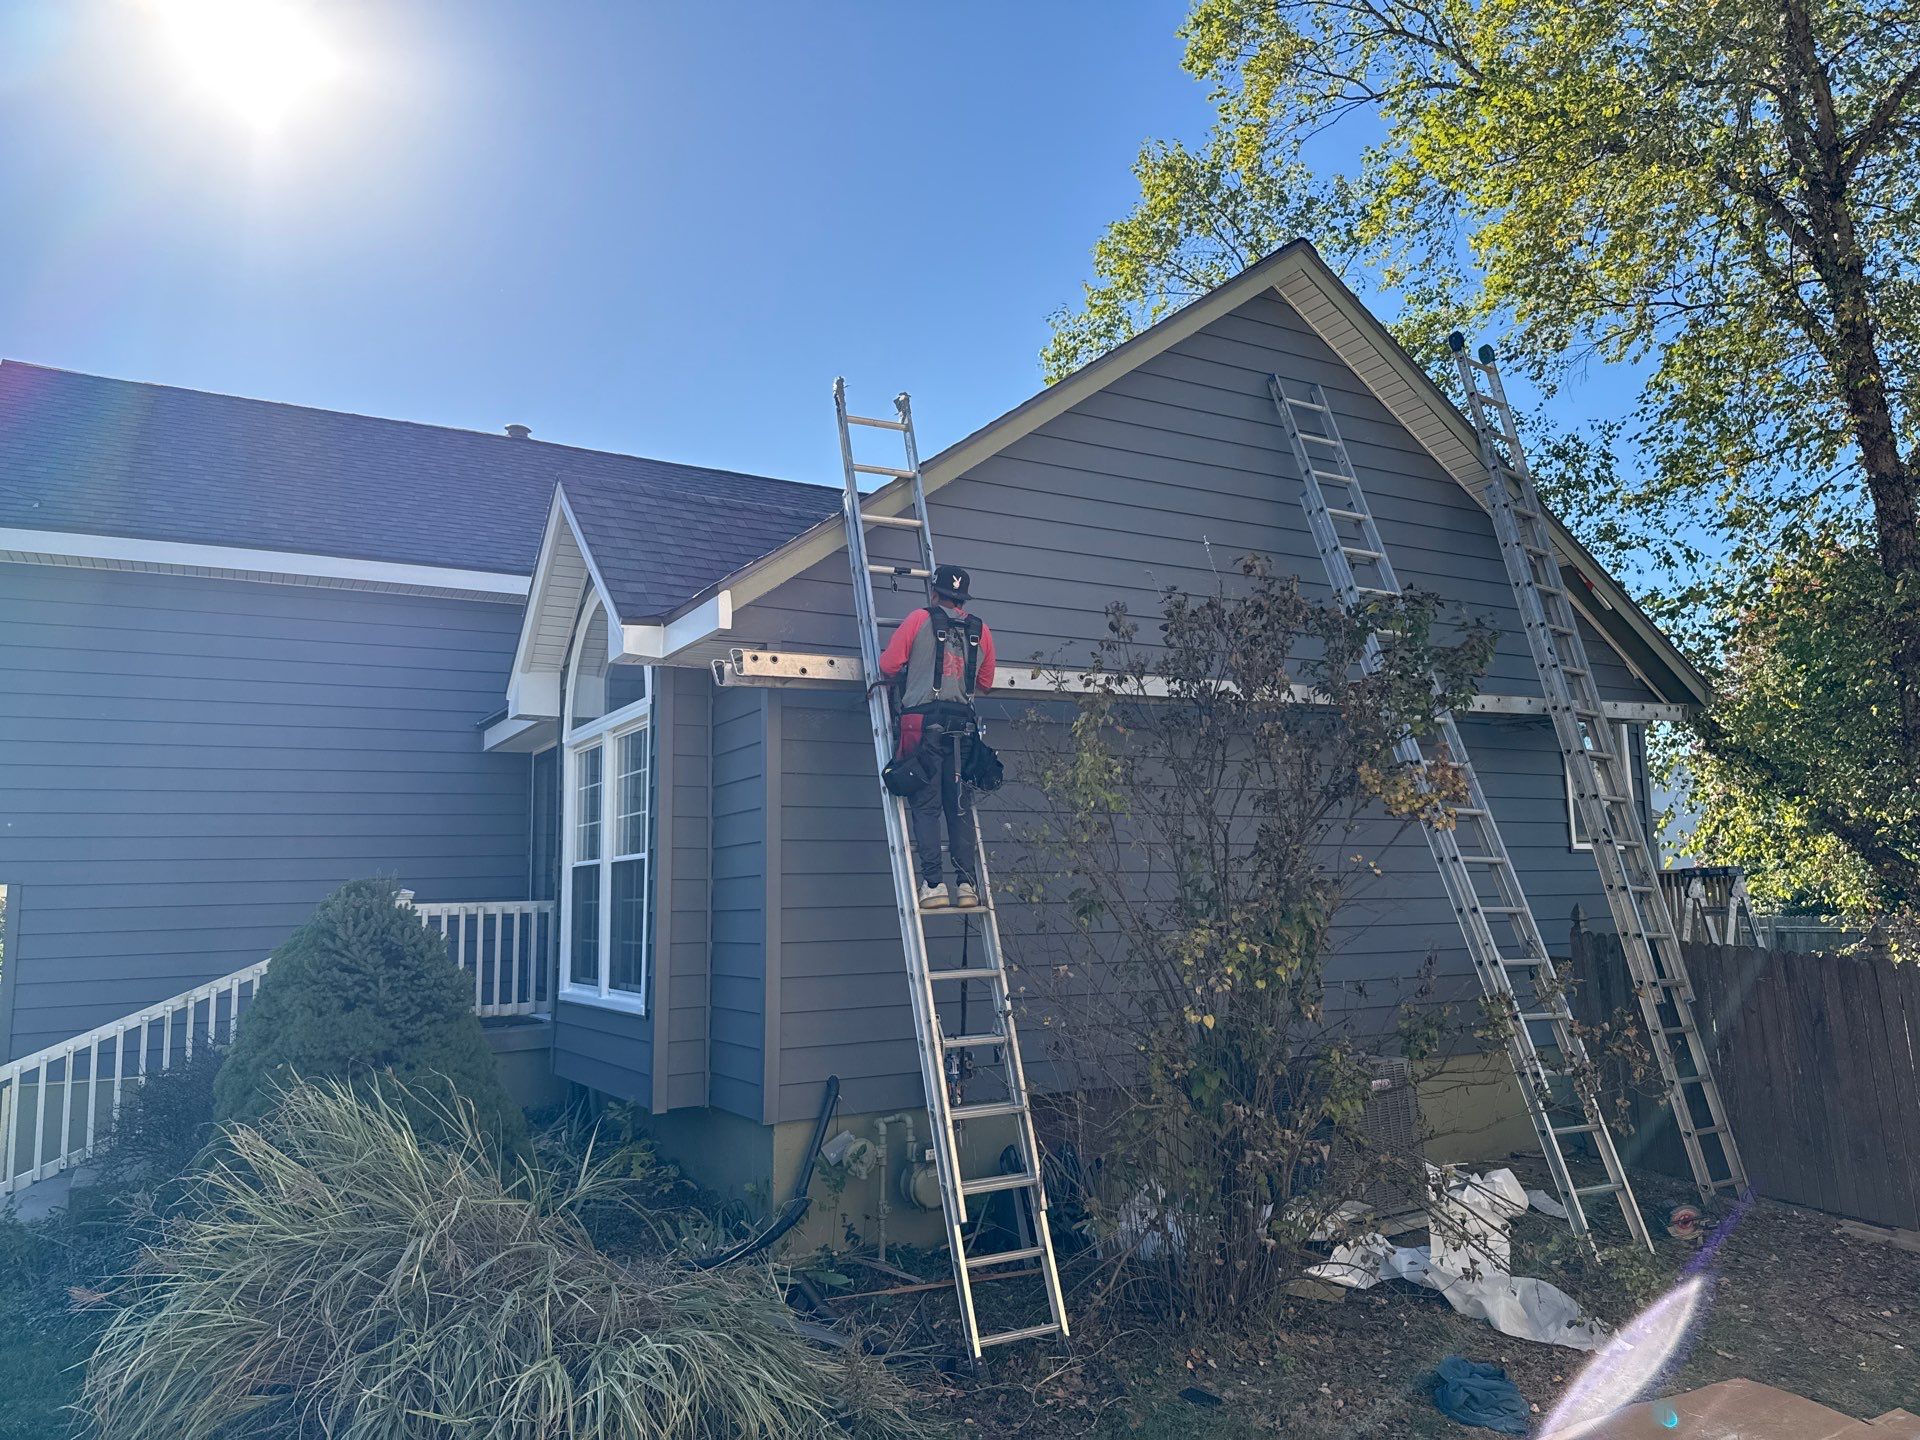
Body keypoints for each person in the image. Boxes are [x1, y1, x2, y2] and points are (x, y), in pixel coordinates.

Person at [877, 562, 996, 910]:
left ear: (935, 592)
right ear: (963, 599)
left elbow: (887, 666)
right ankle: (966, 885)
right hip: (963, 730)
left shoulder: (918, 619)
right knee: (958, 807)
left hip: (921, 727)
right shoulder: (981, 630)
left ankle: (933, 886)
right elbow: (985, 684)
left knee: (926, 807)